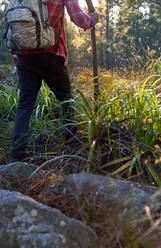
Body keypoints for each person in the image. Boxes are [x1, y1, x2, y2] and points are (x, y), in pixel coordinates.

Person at [11, 0, 99, 161]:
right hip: (51, 54)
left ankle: (18, 154)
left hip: (24, 55)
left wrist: (16, 55)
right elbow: (78, 18)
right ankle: (72, 145)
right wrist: (93, 19)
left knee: (25, 105)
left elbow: (12, 23)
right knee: (65, 99)